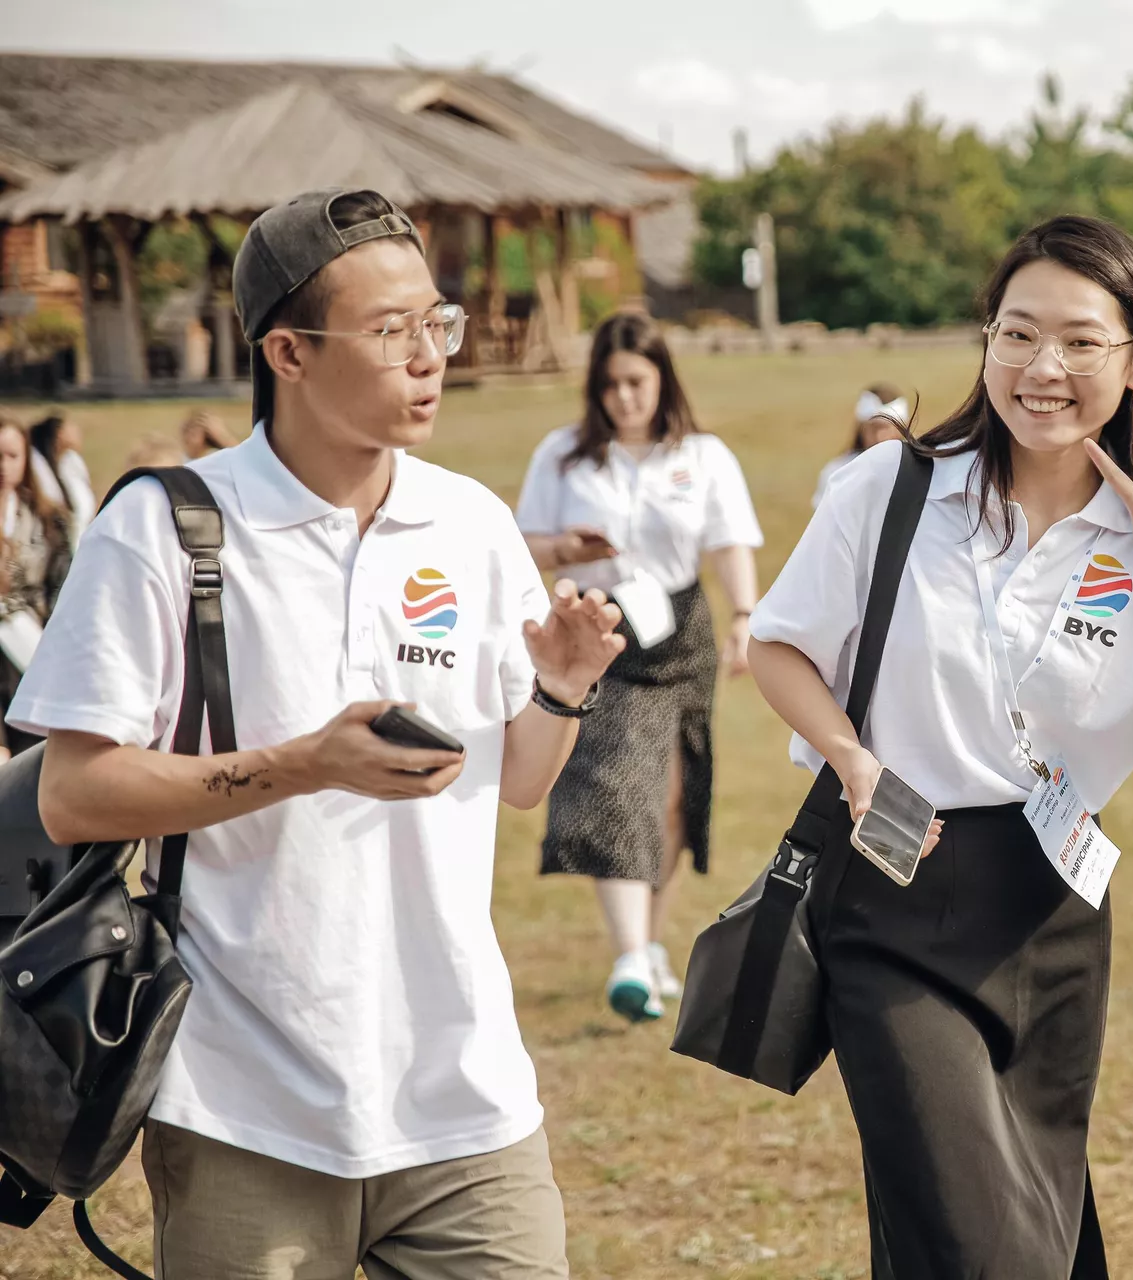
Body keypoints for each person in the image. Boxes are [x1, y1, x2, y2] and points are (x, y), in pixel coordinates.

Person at [9, 187, 627, 1278]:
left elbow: (520, 777)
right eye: (391, 332)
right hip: (247, 1103)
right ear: (287, 352)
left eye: (438, 323)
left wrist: (561, 687)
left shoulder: (473, 524)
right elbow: (75, 792)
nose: (429, 355)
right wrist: (302, 764)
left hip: (464, 1097)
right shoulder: (165, 524)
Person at [748, 215, 1133, 1277]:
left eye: (1077, 341)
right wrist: (851, 756)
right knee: (979, 1240)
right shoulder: (890, 490)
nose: (1040, 367)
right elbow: (775, 646)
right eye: (1015, 335)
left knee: (1027, 1225)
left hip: (1053, 916)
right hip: (890, 889)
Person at [515, 309, 763, 1023]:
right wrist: (564, 547)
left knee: (676, 796)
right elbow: (519, 541)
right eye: (610, 384)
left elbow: (729, 542)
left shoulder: (703, 456)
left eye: (636, 382)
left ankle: (649, 945)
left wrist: (744, 618)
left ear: (661, 381)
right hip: (602, 629)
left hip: (681, 630)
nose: (623, 397)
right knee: (616, 783)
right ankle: (628, 955)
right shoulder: (563, 456)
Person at [0, 415, 71, 760]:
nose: (3, 466)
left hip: (32, 643)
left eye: (11, 456)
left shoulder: (47, 519)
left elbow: (63, 586)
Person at [812, 381, 910, 508]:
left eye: (886, 428)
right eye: (873, 428)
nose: (879, 437)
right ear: (861, 428)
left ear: (902, 427)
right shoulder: (837, 473)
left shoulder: (918, 472)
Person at [28, 410, 96, 531]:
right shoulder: (37, 464)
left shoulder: (72, 461)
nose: (77, 431)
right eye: (70, 427)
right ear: (59, 433)